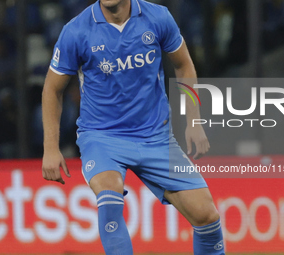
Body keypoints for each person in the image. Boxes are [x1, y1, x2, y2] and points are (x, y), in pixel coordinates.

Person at [42, 0, 225, 254]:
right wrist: (50, 147)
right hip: (102, 138)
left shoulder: (158, 18)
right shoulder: (76, 31)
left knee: (207, 216)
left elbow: (184, 65)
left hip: (156, 138)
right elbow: (53, 88)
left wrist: (194, 121)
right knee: (109, 196)